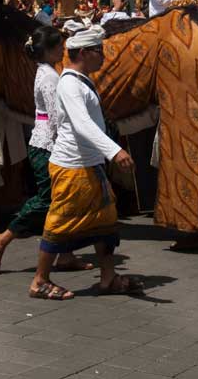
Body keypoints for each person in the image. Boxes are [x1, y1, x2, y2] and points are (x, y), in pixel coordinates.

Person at [29, 25, 141, 300]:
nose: (103, 56)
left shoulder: (79, 81)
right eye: (98, 51)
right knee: (59, 224)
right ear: (84, 53)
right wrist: (114, 151)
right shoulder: (68, 84)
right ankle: (40, 281)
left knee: (106, 223)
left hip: (89, 166)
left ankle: (108, 277)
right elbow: (81, 124)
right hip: (72, 167)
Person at [0, 26, 91, 273]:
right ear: (52, 50)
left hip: (45, 143)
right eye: (59, 48)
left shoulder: (46, 72)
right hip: (47, 146)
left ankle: (65, 253)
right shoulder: (51, 77)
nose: (62, 52)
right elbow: (55, 118)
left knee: (60, 199)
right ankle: (2, 238)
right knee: (47, 199)